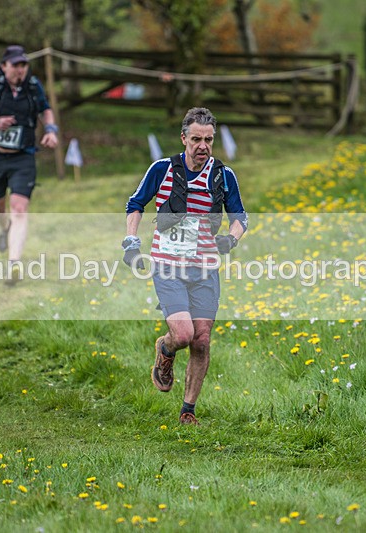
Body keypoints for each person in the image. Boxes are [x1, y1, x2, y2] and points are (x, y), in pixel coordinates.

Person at [124, 107, 248, 425]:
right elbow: (135, 203)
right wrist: (131, 241)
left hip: (205, 268)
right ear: (184, 138)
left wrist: (230, 240)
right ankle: (165, 351)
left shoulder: (223, 176)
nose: (202, 146)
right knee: (182, 334)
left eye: (208, 139)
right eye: (196, 139)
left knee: (202, 340)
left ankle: (187, 411)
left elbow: (240, 218)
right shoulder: (162, 169)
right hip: (168, 266)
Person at [0, 45, 59, 285]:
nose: (20, 70)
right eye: (15, 65)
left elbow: (45, 110)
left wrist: (50, 129)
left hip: (23, 157)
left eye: (23, 65)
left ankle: (13, 264)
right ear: (4, 66)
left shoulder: (33, 86)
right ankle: (5, 228)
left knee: (19, 208)